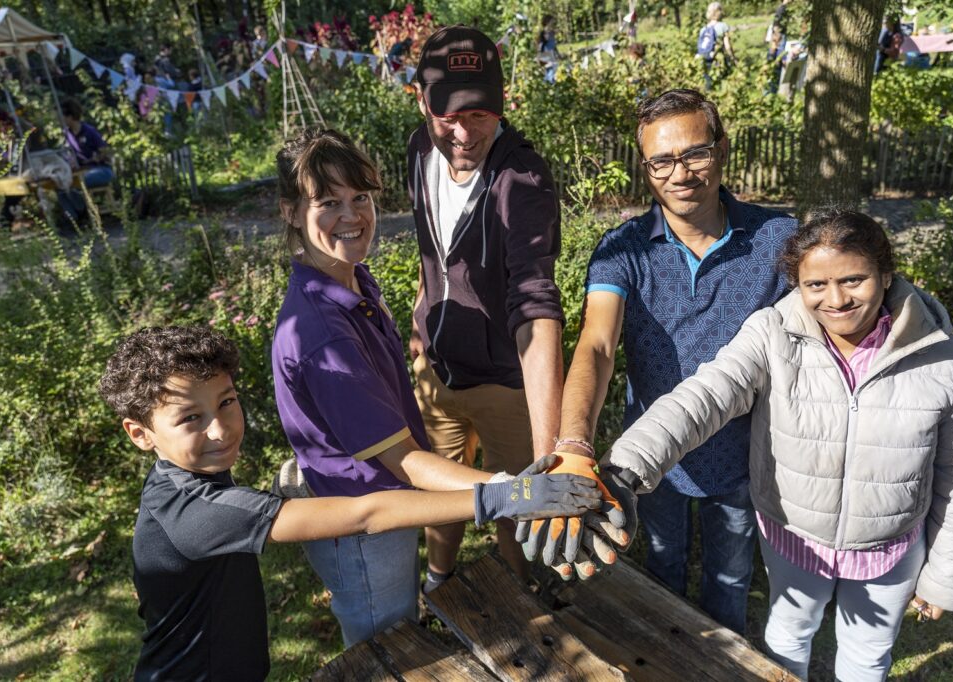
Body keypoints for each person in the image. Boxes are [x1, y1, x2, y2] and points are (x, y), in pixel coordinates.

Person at [601, 209, 953, 679]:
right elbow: (703, 396)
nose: (837, 300)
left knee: (868, 655)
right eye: (816, 285)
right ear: (797, 284)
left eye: (854, 279)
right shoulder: (772, 334)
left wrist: (946, 577)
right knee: (788, 636)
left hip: (890, 548)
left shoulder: (946, 361)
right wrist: (626, 466)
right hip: (793, 540)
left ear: (886, 274)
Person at [100, 326, 598, 679]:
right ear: (140, 434)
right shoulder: (199, 513)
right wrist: (502, 497)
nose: (220, 428)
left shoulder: (177, 483)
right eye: (190, 418)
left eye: (226, 402)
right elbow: (367, 513)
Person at [271, 127, 594, 646]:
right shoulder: (322, 335)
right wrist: (511, 493)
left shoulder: (350, 280)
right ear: (290, 211)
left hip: (383, 507)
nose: (352, 216)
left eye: (361, 198)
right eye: (328, 202)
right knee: (386, 646)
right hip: (362, 525)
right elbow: (402, 460)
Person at [533, 89, 798, 633]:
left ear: (722, 149)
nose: (680, 173)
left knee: (729, 577)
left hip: (744, 452)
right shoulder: (621, 250)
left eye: (695, 153)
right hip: (652, 456)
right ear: (646, 167)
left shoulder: (779, 239)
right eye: (661, 160)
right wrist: (574, 445)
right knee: (661, 569)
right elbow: (597, 345)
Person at [408, 25, 567, 589]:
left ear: (500, 105)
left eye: (479, 114)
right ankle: (438, 583)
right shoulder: (419, 149)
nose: (463, 132)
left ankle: (520, 600)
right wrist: (422, 313)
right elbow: (433, 250)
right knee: (440, 497)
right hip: (435, 372)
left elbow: (535, 300)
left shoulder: (521, 182)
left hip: (505, 384)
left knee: (518, 505)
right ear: (422, 100)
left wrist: (553, 454)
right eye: (448, 113)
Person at [58, 97, 114, 225]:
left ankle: (83, 211)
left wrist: (98, 156)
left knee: (78, 182)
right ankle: (73, 219)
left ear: (70, 117)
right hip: (82, 170)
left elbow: (105, 151)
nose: (59, 120)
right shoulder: (67, 134)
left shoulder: (89, 131)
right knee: (60, 185)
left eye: (62, 117)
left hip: (101, 170)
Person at [697, 2, 735, 91]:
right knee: (722, 81)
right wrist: (733, 58)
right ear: (719, 12)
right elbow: (727, 46)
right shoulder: (723, 26)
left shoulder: (703, 29)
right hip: (719, 58)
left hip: (705, 58)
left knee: (708, 82)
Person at [536, 15, 561, 83]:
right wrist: (539, 55)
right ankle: (548, 83)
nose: (553, 22)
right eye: (551, 21)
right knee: (550, 68)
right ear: (547, 22)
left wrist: (557, 53)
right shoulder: (544, 33)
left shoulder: (552, 32)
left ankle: (551, 83)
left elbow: (554, 44)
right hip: (546, 52)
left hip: (552, 52)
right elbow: (540, 44)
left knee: (554, 68)